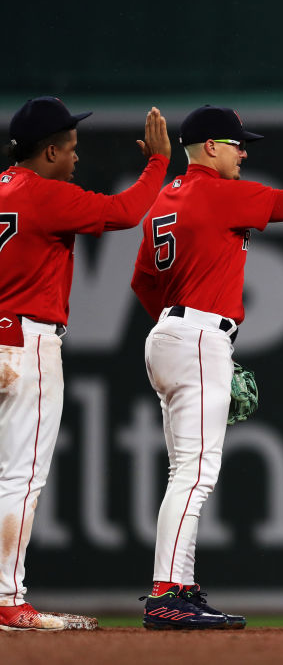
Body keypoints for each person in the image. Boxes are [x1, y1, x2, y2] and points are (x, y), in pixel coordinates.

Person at [131, 85, 283, 630]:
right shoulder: (220, 195)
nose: (245, 152)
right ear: (210, 147)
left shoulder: (166, 197)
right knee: (195, 474)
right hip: (197, 338)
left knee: (184, 470)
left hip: (169, 333)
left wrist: (181, 330)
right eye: (237, 144)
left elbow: (143, 283)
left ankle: (182, 585)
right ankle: (168, 592)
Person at [0, 97, 170, 631]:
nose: (76, 157)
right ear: (48, 150)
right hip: (26, 346)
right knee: (20, 478)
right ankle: (7, 597)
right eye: (70, 148)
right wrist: (159, 164)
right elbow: (123, 213)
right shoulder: (45, 195)